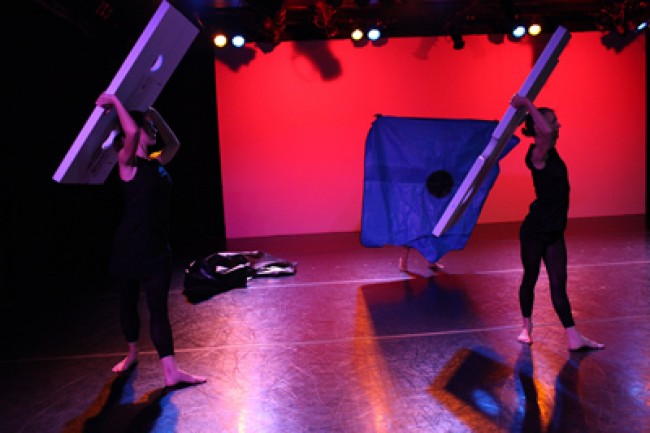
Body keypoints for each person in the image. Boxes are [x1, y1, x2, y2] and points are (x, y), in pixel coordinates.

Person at [96, 92, 206, 386]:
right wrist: (115, 101)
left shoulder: (157, 161)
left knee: (158, 310)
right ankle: (132, 353)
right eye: (149, 127)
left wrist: (153, 113)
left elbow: (175, 144)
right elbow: (131, 133)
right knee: (128, 303)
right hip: (130, 246)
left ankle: (171, 372)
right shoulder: (127, 163)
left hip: (157, 247)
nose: (153, 130)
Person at [509, 94, 604, 352]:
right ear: (539, 127)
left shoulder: (551, 152)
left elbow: (548, 132)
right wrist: (527, 104)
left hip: (553, 231)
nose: (558, 124)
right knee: (530, 277)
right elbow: (546, 132)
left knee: (559, 283)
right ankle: (526, 328)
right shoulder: (536, 154)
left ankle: (574, 337)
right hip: (534, 231)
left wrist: (531, 110)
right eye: (553, 121)